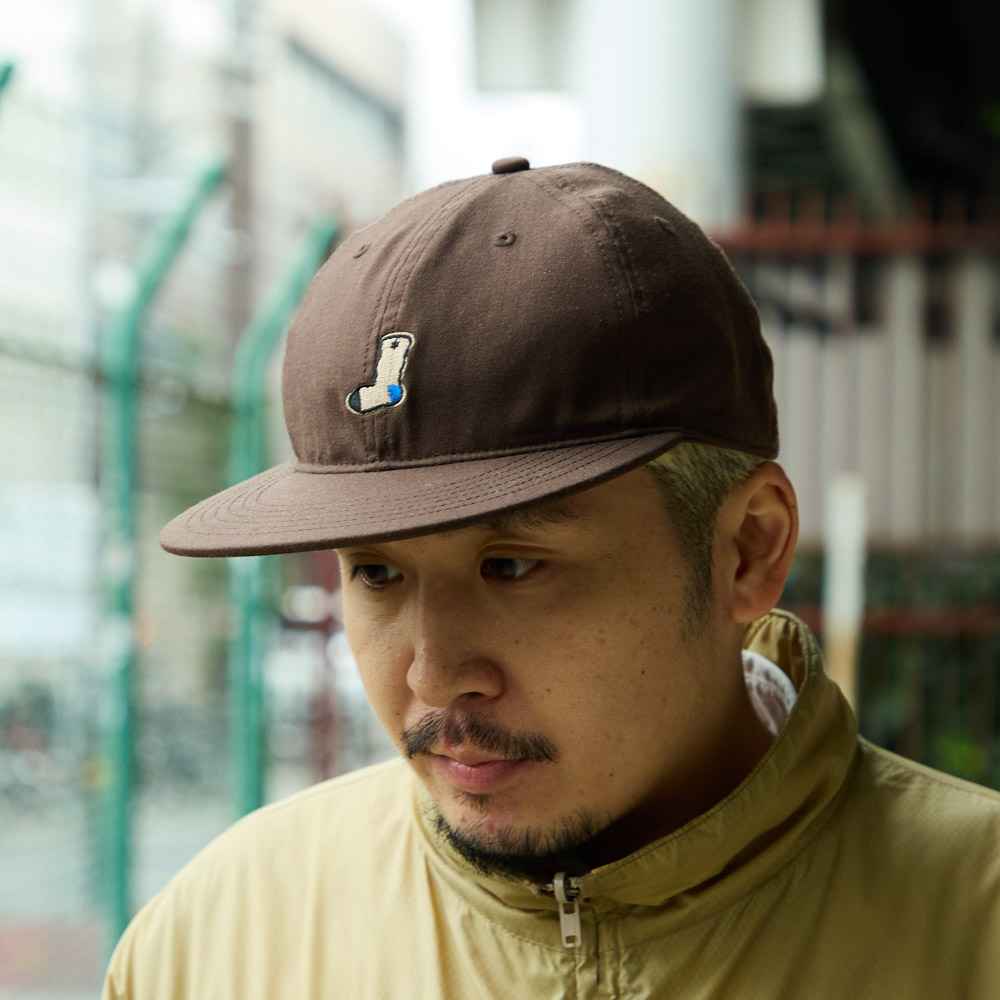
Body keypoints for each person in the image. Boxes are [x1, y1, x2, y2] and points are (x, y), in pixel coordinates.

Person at [103, 158, 1000, 999]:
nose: (433, 677)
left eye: (512, 565)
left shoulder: (973, 923)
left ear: (748, 551)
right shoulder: (213, 946)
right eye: (376, 572)